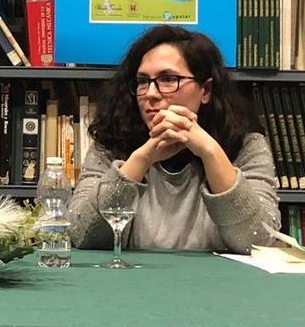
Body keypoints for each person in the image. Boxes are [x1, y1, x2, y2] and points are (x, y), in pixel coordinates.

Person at [69, 25, 280, 253]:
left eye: (168, 79)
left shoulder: (246, 145)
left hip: (220, 284)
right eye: (142, 81)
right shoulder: (111, 143)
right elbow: (82, 235)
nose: (150, 93)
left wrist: (210, 151)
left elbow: (259, 241)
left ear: (205, 90)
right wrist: (142, 157)